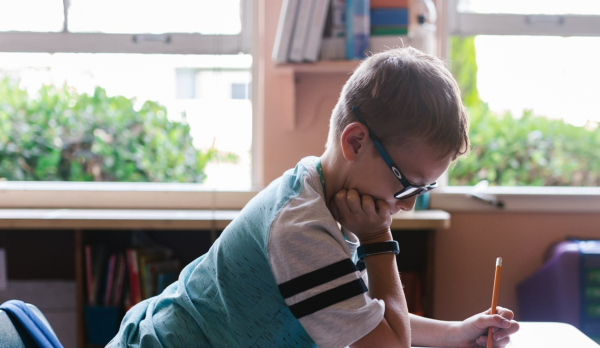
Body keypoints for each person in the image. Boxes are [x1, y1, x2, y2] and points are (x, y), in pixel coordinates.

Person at [107, 47, 519, 348]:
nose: (409, 203)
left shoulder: (313, 185)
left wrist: (454, 332)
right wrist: (379, 241)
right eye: (406, 183)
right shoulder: (300, 229)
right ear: (356, 141)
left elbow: (353, 315)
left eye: (424, 190)